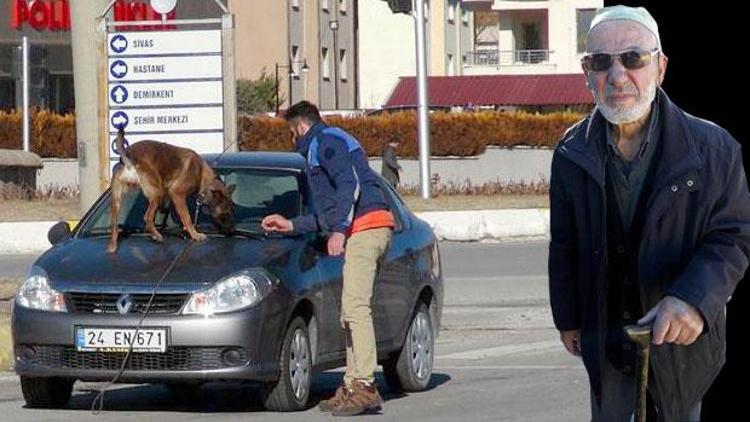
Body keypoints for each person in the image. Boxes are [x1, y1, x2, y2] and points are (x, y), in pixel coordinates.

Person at [547, 5, 750, 422]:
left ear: (660, 67)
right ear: (587, 73)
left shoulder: (713, 149)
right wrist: (568, 317)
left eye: (633, 59)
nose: (618, 76)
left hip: (680, 346)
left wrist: (693, 300)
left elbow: (732, 237)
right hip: (605, 340)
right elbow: (565, 243)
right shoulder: (571, 153)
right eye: (601, 62)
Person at [261, 101, 395, 417]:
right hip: (366, 227)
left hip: (366, 228)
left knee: (356, 309)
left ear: (300, 127)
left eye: (291, 132)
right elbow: (329, 208)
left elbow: (350, 184)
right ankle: (351, 385)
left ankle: (364, 386)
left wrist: (340, 230)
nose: (292, 139)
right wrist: (291, 224)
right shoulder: (325, 143)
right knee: (351, 311)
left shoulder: (326, 141)